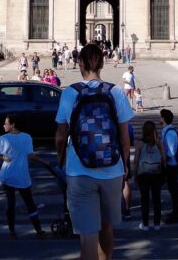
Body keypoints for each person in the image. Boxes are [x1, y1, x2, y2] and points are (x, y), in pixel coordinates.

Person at [55, 43, 134, 260]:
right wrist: (125, 165)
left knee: (87, 236)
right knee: (107, 227)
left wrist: (61, 158)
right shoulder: (115, 92)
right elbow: (125, 137)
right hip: (112, 170)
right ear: (102, 63)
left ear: (79, 62)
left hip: (79, 171)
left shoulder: (70, 93)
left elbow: (61, 135)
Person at [0, 114, 48, 239]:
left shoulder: (3, 138)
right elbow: (30, 156)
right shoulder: (27, 137)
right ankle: (38, 230)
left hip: (7, 175)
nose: (4, 125)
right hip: (21, 175)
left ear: (12, 125)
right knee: (29, 203)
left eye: (6, 123)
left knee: (10, 203)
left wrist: (0, 156)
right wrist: (45, 162)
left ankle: (12, 231)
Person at [133, 121, 165, 231]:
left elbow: (136, 160)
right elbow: (163, 158)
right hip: (156, 172)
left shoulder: (140, 143)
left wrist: (134, 173)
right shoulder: (158, 142)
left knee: (144, 199)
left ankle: (145, 223)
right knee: (156, 198)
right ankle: (157, 223)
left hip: (143, 174)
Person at [159, 109, 178, 224]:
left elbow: (171, 152)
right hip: (168, 164)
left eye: (160, 117)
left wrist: (163, 161)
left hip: (171, 165)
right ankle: (175, 212)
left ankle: (177, 214)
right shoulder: (166, 131)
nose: (160, 119)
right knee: (171, 188)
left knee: (174, 189)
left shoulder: (170, 133)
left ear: (163, 118)